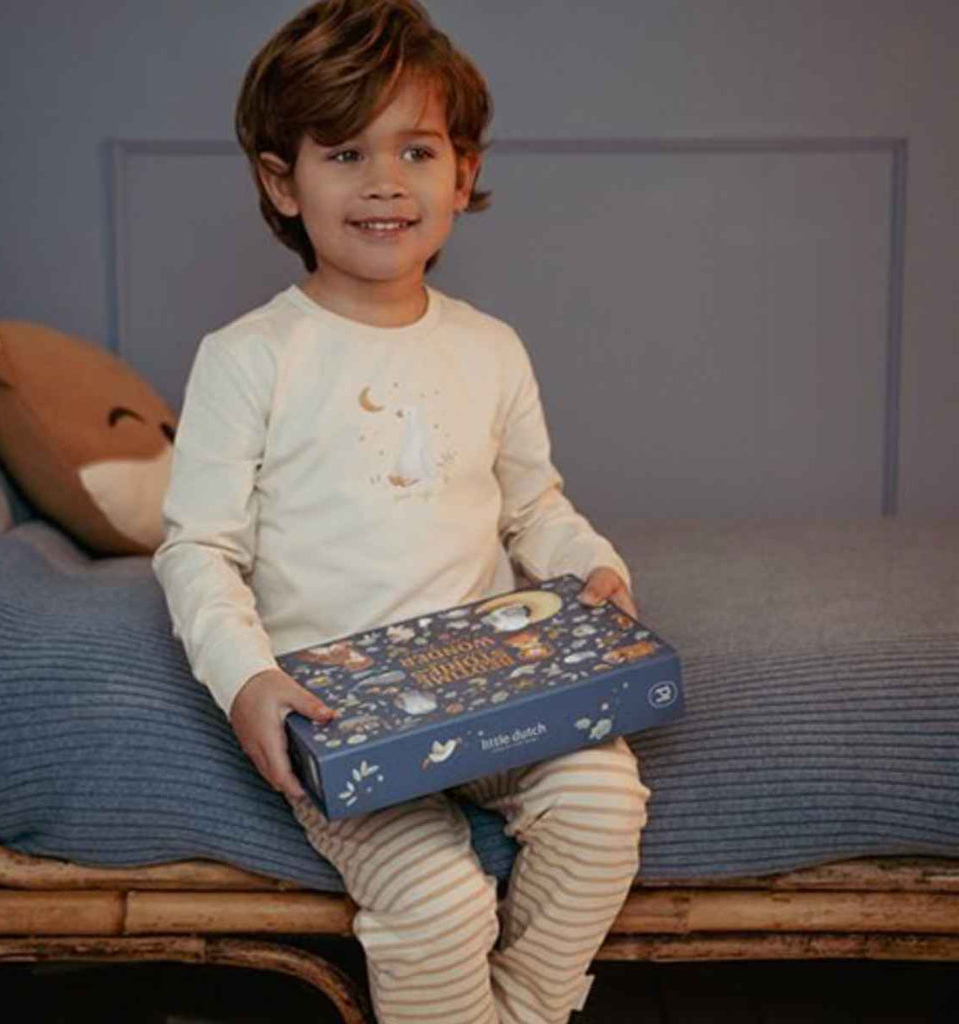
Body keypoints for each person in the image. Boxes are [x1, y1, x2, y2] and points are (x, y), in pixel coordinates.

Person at [153, 2, 650, 1021]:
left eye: (416, 149)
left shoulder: (489, 347)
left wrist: (588, 565)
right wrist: (250, 680)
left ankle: (526, 1010)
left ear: (461, 175)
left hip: (496, 686)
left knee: (606, 807)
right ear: (281, 180)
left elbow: (534, 505)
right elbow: (196, 548)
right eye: (343, 151)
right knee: (433, 901)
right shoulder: (248, 358)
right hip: (343, 719)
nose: (384, 181)